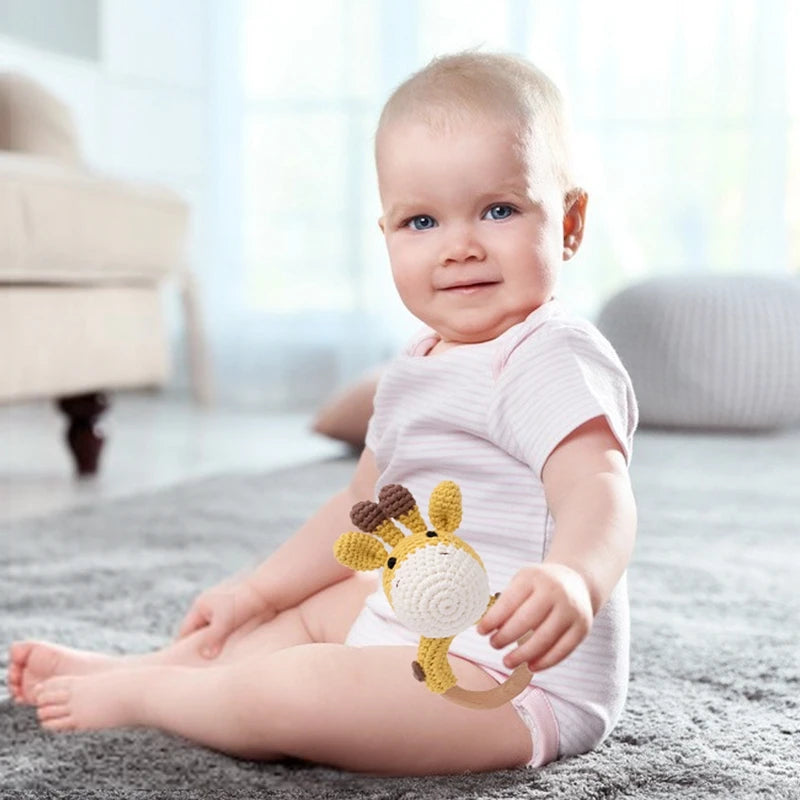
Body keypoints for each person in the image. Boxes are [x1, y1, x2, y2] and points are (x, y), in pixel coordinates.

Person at [7, 51, 638, 775]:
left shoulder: (550, 354)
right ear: (387, 234)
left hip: (513, 682)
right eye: (422, 220)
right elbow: (360, 507)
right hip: (413, 617)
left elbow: (598, 489)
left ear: (570, 222)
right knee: (298, 616)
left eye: (498, 210)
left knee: (296, 689)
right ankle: (144, 666)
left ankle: (154, 696)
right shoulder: (411, 368)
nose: (460, 246)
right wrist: (254, 591)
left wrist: (574, 579)